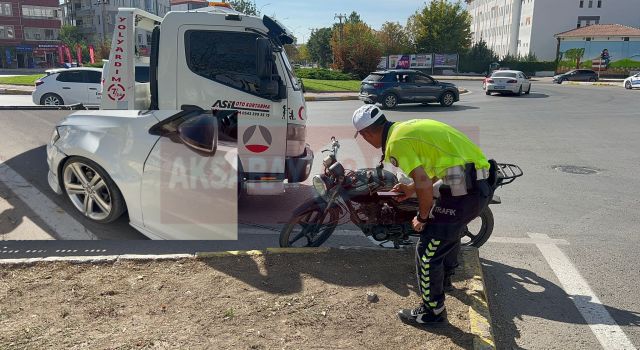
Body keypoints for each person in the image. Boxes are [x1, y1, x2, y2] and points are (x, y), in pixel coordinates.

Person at [352, 104, 494, 326]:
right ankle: (445, 280)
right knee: (447, 235)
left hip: (465, 188)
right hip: (471, 181)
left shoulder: (395, 143)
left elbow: (424, 185)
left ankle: (432, 312)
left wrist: (423, 216)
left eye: (362, 138)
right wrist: (409, 189)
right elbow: (437, 166)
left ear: (366, 133)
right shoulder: (404, 129)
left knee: (427, 251)